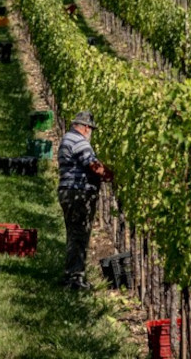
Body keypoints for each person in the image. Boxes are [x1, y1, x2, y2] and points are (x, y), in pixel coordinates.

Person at [57, 110, 114, 290]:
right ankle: (75, 279)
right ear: (86, 127)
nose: (91, 133)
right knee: (79, 235)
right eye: (91, 129)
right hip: (78, 194)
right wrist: (109, 174)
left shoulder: (67, 139)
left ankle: (71, 275)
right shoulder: (80, 142)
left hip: (69, 192)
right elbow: (94, 167)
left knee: (74, 233)